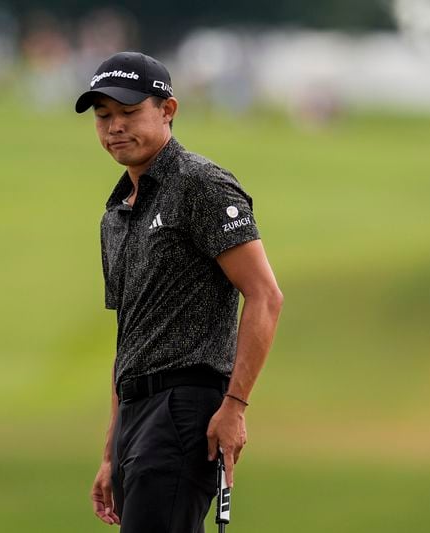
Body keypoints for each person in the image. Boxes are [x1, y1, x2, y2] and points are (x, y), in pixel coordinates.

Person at [75, 51, 283, 532]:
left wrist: (234, 407)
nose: (114, 128)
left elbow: (265, 295)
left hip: (184, 409)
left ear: (167, 110)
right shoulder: (117, 211)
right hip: (136, 414)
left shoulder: (201, 185)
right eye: (103, 116)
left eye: (129, 113)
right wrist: (113, 447)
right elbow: (130, 335)